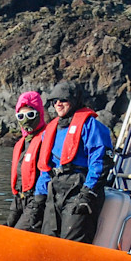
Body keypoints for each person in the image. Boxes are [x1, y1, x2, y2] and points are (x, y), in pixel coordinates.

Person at [35, 88, 114, 242]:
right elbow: (45, 168)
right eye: (54, 101)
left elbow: (100, 162)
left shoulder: (91, 126)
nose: (58, 104)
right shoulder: (51, 130)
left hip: (79, 188)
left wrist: (88, 193)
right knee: (47, 239)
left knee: (72, 240)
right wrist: (39, 197)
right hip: (56, 188)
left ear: (73, 101)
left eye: (63, 100)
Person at [5, 91, 48, 232]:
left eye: (30, 115)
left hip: (37, 200)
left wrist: (38, 201)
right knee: (6, 228)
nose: (26, 119)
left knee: (18, 234)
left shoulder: (47, 139)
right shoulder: (21, 144)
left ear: (39, 114)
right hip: (20, 198)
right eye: (21, 116)